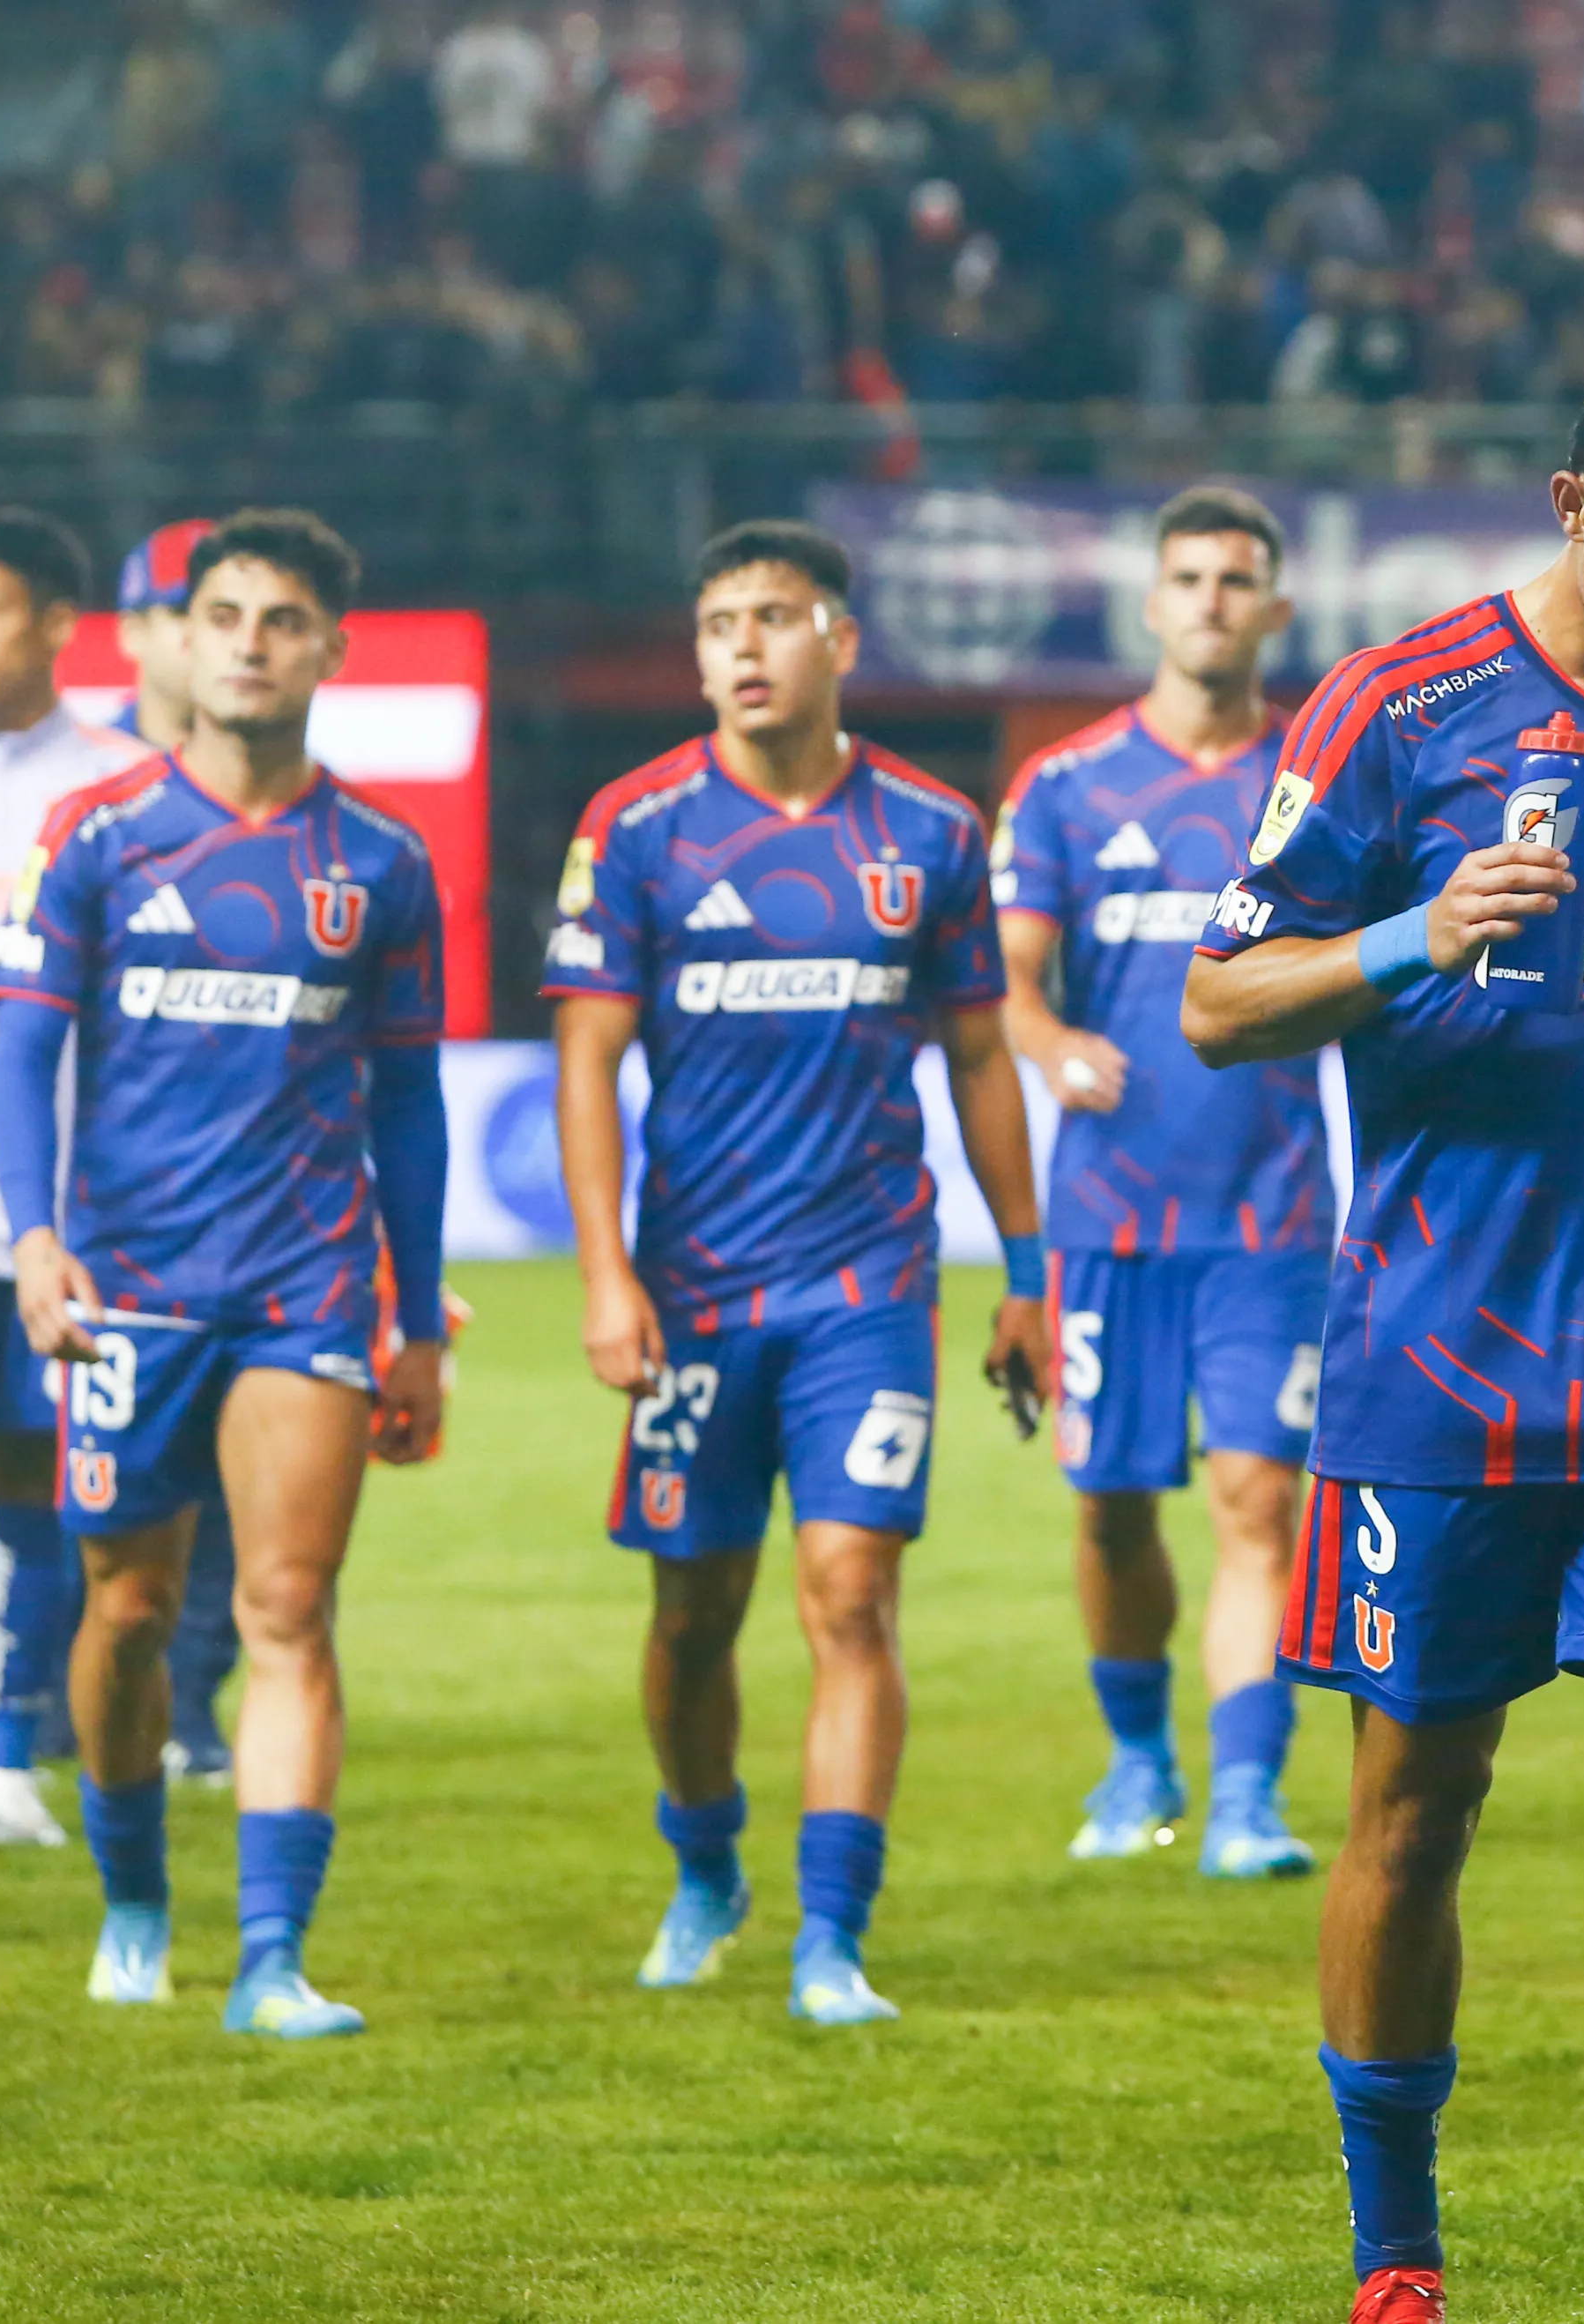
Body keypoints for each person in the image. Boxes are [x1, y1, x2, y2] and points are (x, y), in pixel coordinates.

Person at [1181, 327, 1584, 2324]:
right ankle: (1396, 2249)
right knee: (1411, 1809)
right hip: (1434, 1389)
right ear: (1572, 506)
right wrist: (1408, 935)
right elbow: (1221, 999)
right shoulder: (1395, 712)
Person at [545, 519, 1047, 2026]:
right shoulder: (636, 828)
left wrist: (1026, 1269)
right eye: (718, 625)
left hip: (865, 1287)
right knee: (692, 1614)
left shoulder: (929, 832)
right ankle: (706, 1865)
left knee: (849, 1594)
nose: (742, 648)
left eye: (773, 617)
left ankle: (833, 1934)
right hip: (691, 1289)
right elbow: (585, 1065)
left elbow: (978, 1056)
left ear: (839, 638)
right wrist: (605, 1277)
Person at [0, 507, 451, 2037]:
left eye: (283, 618)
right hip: (128, 1288)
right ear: (179, 638)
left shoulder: (380, 861)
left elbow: (407, 1100)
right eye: (226, 615)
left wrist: (416, 1300)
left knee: (287, 1607)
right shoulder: (104, 835)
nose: (251, 641)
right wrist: (38, 1237)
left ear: (329, 647)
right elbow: (27, 1046)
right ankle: (133, 1896)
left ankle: (270, 1960)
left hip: (305, 1291)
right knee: (123, 1610)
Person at [995, 487, 1334, 1877]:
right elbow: (1007, 992)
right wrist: (1055, 1040)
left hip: (1272, 1210)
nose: (1209, 599)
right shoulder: (1066, 790)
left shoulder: (1317, 790)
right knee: (1109, 1505)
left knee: (1261, 1501)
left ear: (1274, 610)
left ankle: (1248, 1798)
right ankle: (1140, 1759)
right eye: (1186, 576)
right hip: (1108, 1217)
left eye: (1235, 578)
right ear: (1151, 603)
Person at [0, 510, 153, 1849]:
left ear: (56, 625)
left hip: (57, 1224)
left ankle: (4, 1758)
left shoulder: (125, 790)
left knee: (39, 1495)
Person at [104, 515, 253, 1791]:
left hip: (256, 1203)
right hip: (89, 1199)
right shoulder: (81, 794)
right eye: (188, 611)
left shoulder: (282, 793)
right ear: (140, 630)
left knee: (242, 1471)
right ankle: (54, 1693)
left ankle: (194, 1701)